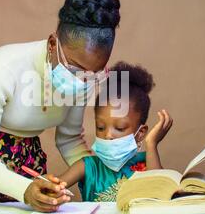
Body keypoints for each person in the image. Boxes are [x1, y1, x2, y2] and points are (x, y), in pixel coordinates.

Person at [0, 0, 121, 212]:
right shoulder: (0, 69)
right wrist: (24, 190)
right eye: (75, 70)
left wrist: (105, 175)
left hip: (28, 164)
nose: (84, 81)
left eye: (94, 74)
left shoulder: (83, 78)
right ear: (53, 44)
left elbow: (69, 139)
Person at [56, 61, 173, 201]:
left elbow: (160, 195)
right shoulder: (88, 166)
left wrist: (152, 144)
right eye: (100, 127)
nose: (108, 135)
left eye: (120, 128)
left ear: (140, 133)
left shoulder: (148, 162)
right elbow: (51, 187)